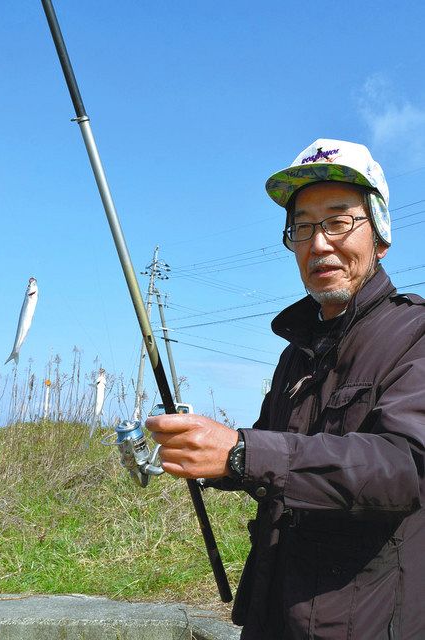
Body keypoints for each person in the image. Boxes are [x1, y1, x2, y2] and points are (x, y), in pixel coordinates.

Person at [146, 139, 425, 640]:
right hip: (274, 612)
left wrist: (242, 453)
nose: (319, 244)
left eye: (339, 221)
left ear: (380, 235)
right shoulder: (297, 351)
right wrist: (199, 451)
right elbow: (272, 452)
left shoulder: (416, 335)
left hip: (364, 624)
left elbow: (404, 468)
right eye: (303, 227)